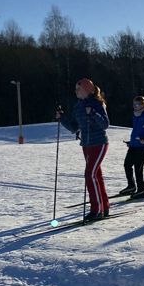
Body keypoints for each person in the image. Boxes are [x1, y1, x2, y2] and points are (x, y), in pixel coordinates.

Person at [56, 78, 110, 221]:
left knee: (89, 175)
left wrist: (93, 113)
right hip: (86, 144)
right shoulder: (78, 106)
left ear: (87, 90)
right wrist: (62, 119)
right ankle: (104, 207)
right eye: (76, 89)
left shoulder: (97, 103)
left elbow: (105, 124)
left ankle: (96, 210)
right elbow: (74, 127)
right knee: (96, 175)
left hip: (99, 143)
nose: (76, 91)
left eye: (78, 89)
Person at [121, 95, 144, 199]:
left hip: (142, 146)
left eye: (138, 104)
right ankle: (131, 186)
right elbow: (136, 131)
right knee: (127, 165)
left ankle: (141, 190)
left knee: (138, 168)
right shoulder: (135, 115)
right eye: (134, 104)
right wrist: (131, 142)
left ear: (143, 105)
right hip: (133, 145)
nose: (135, 106)